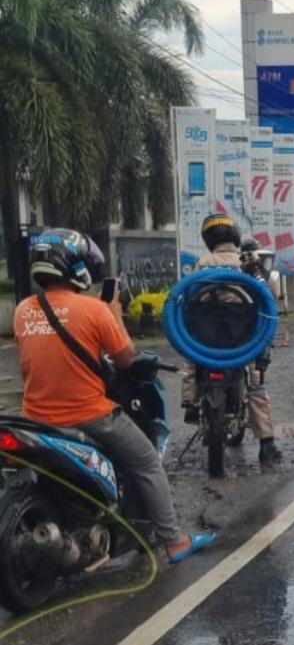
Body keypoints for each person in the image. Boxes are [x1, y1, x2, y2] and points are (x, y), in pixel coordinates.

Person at [15, 228, 215, 563]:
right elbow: (126, 358)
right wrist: (114, 314)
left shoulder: (23, 310)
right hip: (90, 416)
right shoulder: (94, 310)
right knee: (148, 462)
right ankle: (174, 541)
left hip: (35, 419)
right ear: (73, 267)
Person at [181, 214, 282, 464]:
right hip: (242, 338)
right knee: (256, 381)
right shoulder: (246, 263)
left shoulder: (202, 264)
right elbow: (272, 294)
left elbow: (187, 297)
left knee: (191, 361)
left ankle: (189, 403)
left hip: (206, 336)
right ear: (235, 236)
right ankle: (266, 444)